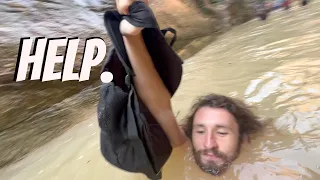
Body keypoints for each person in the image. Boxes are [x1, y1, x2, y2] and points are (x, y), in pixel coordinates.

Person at [116, 0, 263, 176]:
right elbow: (160, 108)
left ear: (244, 139)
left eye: (222, 132)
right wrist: (131, 36)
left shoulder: (271, 168)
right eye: (200, 131)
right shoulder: (187, 150)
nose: (209, 144)